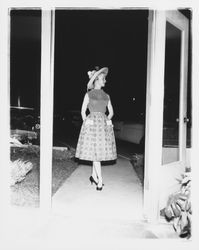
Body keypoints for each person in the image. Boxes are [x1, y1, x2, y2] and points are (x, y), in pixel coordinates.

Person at [75, 66, 117, 191]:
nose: (105, 81)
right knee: (96, 154)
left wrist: (107, 122)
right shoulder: (89, 94)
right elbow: (83, 111)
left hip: (102, 127)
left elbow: (111, 112)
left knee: (97, 153)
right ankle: (100, 181)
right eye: (103, 79)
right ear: (97, 80)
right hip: (92, 126)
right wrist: (86, 122)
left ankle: (94, 176)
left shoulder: (106, 95)